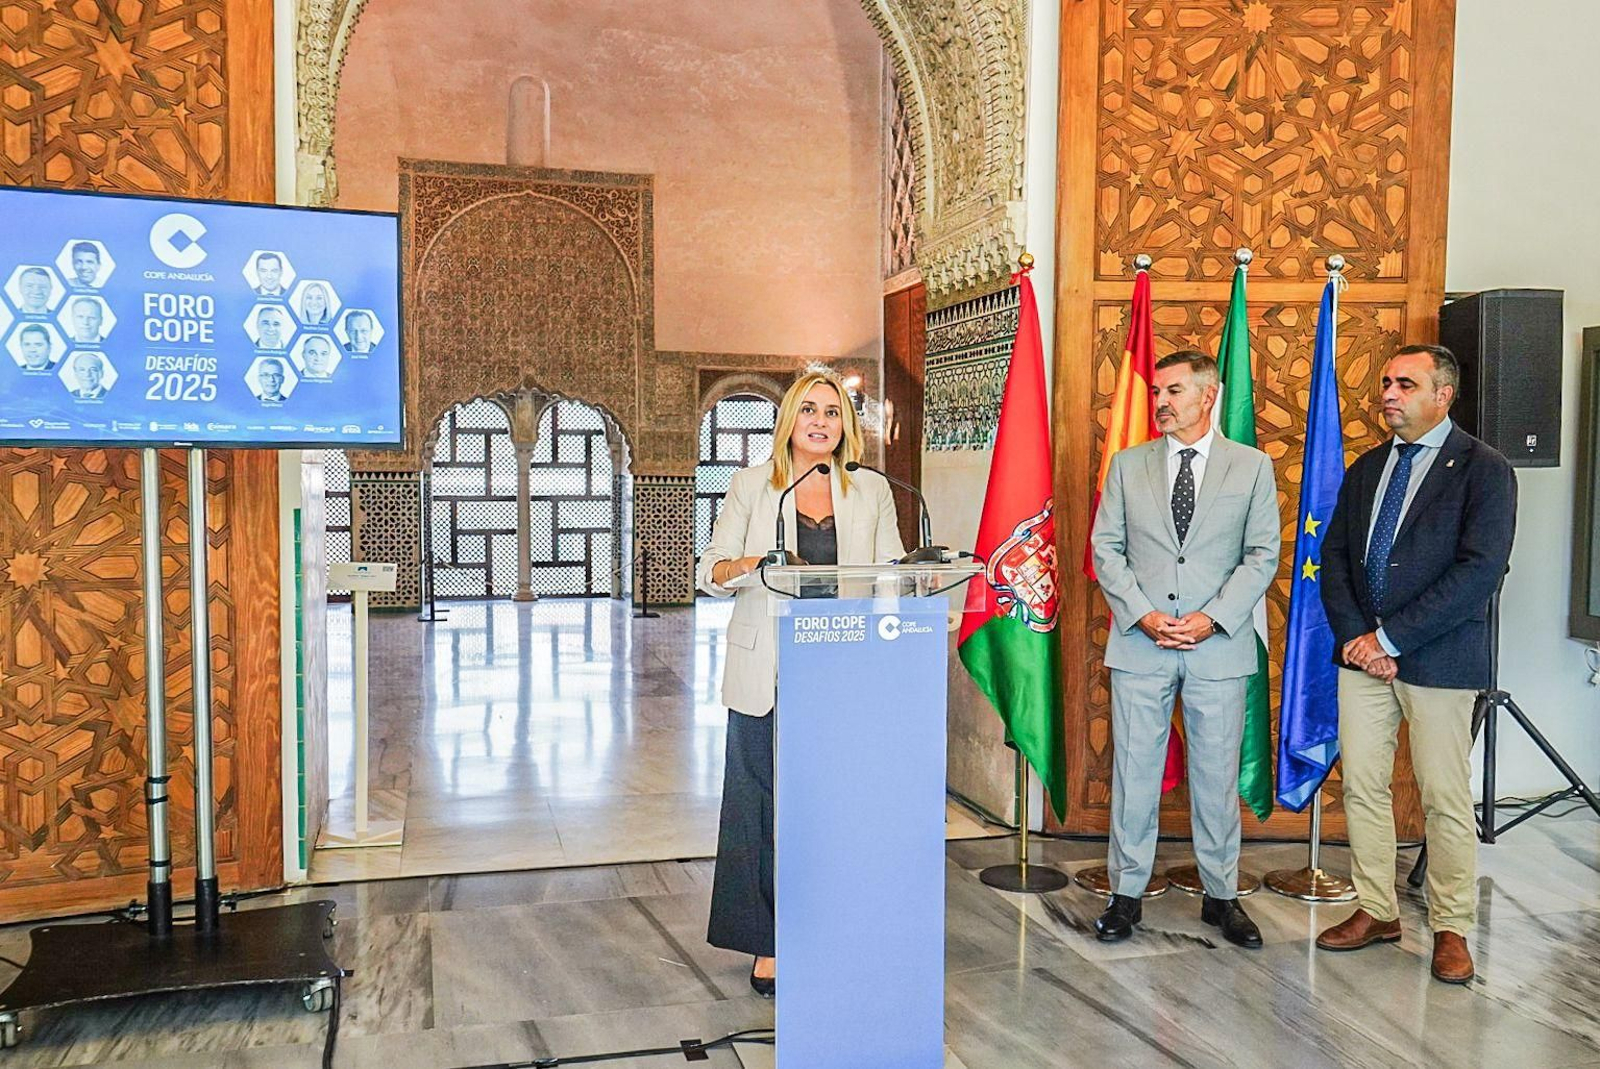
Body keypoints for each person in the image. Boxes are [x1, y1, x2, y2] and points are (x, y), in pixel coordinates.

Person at [696, 370, 904, 1000]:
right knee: (756, 800)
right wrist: (757, 564)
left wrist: (915, 590)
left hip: (843, 665)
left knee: (835, 806)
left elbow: (893, 571)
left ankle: (835, 927)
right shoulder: (752, 486)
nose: (821, 421)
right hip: (766, 663)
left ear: (847, 427)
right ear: (790, 418)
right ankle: (768, 940)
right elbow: (711, 571)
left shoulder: (870, 491)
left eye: (833, 412)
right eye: (809, 409)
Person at [1315, 344, 1516, 985]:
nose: (1389, 393)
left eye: (1405, 383)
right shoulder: (1369, 468)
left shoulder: (1484, 469)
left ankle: (1451, 925)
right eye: (1385, 382)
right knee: (1364, 787)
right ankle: (1377, 909)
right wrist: (1356, 638)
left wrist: (1390, 639)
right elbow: (1338, 558)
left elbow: (1479, 572)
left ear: (1444, 394)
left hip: (1438, 658)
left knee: (1443, 796)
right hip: (1361, 659)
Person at [1089, 350, 1281, 947]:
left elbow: (1262, 557)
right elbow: (1106, 549)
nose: (1162, 404)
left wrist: (1211, 619)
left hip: (1217, 646)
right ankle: (1126, 895)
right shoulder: (1128, 465)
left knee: (1216, 775)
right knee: (1135, 771)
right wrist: (1144, 614)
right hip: (1140, 643)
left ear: (1207, 396)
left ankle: (1221, 898)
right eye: (1157, 394)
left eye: (1174, 392)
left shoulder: (1250, 467)